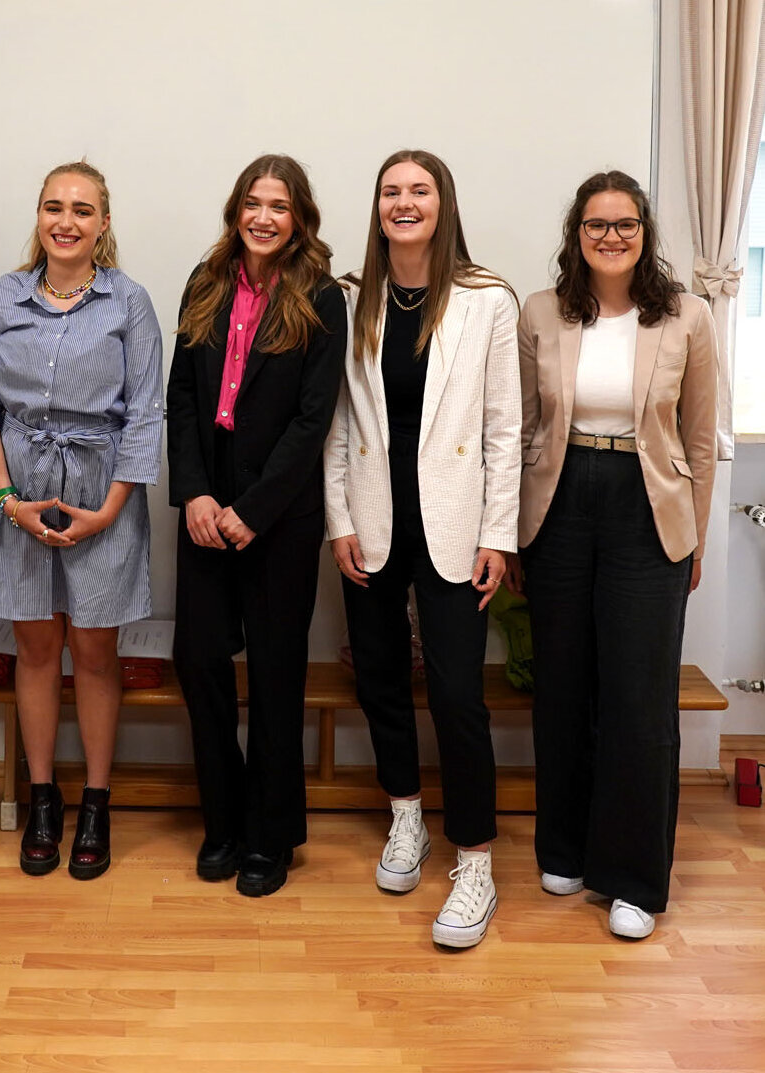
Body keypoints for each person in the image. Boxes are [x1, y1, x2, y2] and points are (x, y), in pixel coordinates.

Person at [505, 171, 717, 940]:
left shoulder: (688, 316)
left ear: (645, 232)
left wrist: (691, 537)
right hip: (559, 504)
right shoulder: (541, 312)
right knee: (562, 682)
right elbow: (523, 428)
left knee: (638, 695)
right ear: (576, 235)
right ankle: (563, 846)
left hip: (647, 505)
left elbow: (699, 439)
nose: (611, 238)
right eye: (596, 226)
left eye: (625, 225)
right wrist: (513, 530)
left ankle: (632, 877)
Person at [324, 149, 520, 948]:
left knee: (457, 697)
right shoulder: (352, 299)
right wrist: (338, 519)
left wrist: (497, 535)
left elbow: (505, 428)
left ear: (443, 205)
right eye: (391, 192)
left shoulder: (486, 300)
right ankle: (405, 816)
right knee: (378, 681)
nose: (404, 203)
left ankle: (474, 858)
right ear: (377, 208)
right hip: (372, 523)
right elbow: (337, 421)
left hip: (455, 525)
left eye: (420, 191)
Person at [0, 160, 163, 880]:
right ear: (39, 216)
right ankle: (44, 797)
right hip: (17, 491)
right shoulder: (4, 298)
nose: (66, 221)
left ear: (104, 223)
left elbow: (145, 414)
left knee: (96, 654)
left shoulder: (128, 301)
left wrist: (107, 511)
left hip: (102, 493)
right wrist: (6, 496)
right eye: (54, 206)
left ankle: (97, 802)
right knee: (37, 650)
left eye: (83, 209)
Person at [167, 154, 346, 897]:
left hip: (280, 520)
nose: (263, 217)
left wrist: (254, 509)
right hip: (207, 511)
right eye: (252, 202)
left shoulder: (323, 297)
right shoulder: (205, 283)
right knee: (199, 661)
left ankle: (271, 838)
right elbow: (179, 400)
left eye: (279, 205)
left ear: (300, 217)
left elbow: (314, 420)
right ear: (235, 210)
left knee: (276, 677)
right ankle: (226, 820)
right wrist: (199, 496)